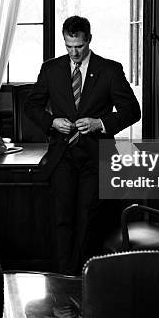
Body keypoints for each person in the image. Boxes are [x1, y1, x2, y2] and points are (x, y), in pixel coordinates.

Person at [25, 15, 141, 275]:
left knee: (88, 220)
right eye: (68, 46)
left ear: (88, 39)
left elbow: (133, 111)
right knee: (62, 218)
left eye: (78, 46)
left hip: (95, 156)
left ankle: (86, 279)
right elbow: (31, 106)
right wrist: (53, 121)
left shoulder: (110, 70)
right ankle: (63, 278)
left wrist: (100, 123)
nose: (74, 52)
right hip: (62, 155)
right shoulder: (51, 69)